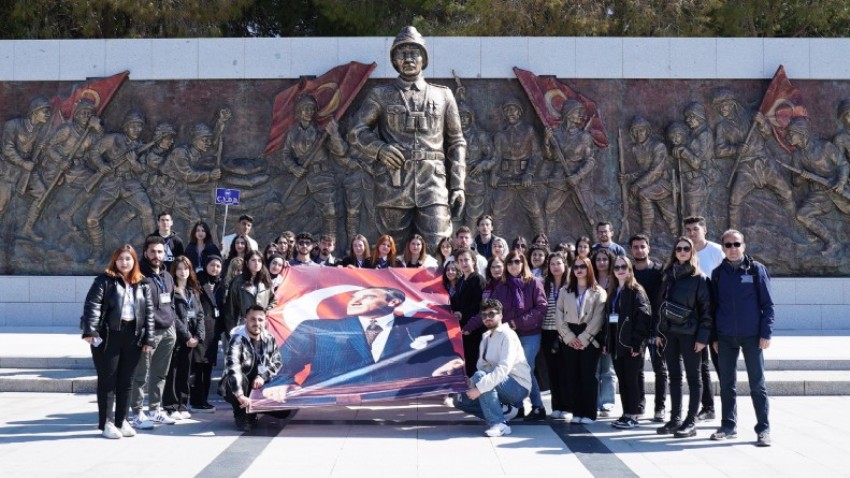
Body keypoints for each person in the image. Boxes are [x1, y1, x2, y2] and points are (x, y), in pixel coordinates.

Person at [348, 26, 466, 247]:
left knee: (438, 247)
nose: (409, 58)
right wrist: (380, 149)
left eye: (414, 53)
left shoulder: (443, 95)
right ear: (394, 60)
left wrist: (458, 185)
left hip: (433, 184)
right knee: (390, 250)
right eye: (402, 53)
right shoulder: (381, 95)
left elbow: (457, 142)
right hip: (394, 184)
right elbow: (356, 132)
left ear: (424, 58)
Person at [262, 287, 463, 398]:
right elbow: (281, 366)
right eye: (353, 297)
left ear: (393, 302)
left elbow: (444, 361)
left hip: (398, 411)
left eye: (366, 296)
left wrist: (451, 365)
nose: (354, 301)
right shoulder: (314, 328)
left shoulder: (425, 327)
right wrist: (281, 384)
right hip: (329, 410)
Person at [81, 244, 155, 439]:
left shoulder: (142, 283)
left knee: (126, 381)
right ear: (115, 260)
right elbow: (92, 306)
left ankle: (122, 421)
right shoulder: (104, 281)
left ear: (134, 261)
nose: (124, 262)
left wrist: (149, 338)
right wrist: (90, 331)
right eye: (121, 259)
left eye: (128, 259)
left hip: (133, 336)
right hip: (108, 336)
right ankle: (107, 423)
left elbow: (148, 313)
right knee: (108, 381)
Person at [464, 250, 547, 420]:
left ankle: (538, 406)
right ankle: (517, 407)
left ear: (523, 263)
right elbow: (488, 310)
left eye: (517, 261)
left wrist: (518, 322)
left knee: (526, 367)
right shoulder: (502, 288)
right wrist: (469, 326)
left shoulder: (534, 283)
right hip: (509, 335)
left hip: (529, 334)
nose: (514, 265)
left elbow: (541, 308)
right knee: (509, 370)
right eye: (510, 262)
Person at [710, 230, 774, 447]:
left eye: (736, 244)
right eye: (728, 245)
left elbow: (768, 305)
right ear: (723, 248)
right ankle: (728, 425)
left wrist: (766, 333)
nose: (733, 248)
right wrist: (714, 337)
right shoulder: (717, 274)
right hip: (726, 337)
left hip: (752, 336)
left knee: (757, 384)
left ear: (744, 246)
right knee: (727, 383)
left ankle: (763, 429)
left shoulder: (756, 270)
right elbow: (713, 307)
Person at [655, 236, 712, 438]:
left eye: (686, 249)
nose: (681, 252)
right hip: (670, 333)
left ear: (691, 252)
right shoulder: (668, 275)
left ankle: (691, 421)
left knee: (694, 378)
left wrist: (703, 338)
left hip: (691, 334)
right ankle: (675, 418)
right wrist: (659, 332)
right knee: (674, 377)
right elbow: (660, 305)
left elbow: (707, 311)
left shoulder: (700, 278)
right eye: (678, 248)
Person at [453, 298, 532, 437]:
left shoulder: (508, 335)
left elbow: (503, 368)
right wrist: (469, 383)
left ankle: (499, 423)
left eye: (491, 314)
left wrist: (479, 388)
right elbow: (482, 367)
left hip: (517, 386)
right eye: (484, 315)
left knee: (480, 378)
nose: (487, 318)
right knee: (459, 400)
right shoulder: (485, 337)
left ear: (500, 315)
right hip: (496, 383)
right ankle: (503, 411)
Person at [85, 111, 155, 262]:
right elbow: (94, 152)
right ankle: (97, 250)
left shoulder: (141, 146)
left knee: (148, 211)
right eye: (133, 126)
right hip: (111, 182)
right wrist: (102, 165)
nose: (137, 130)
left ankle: (153, 251)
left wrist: (134, 162)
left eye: (139, 127)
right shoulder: (113, 139)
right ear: (126, 127)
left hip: (131, 184)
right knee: (91, 219)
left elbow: (142, 169)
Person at [279, 94, 347, 236]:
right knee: (286, 208)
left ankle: (331, 242)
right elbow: (286, 155)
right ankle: (284, 241)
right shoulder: (292, 134)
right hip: (301, 177)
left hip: (321, 176)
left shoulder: (321, 132)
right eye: (306, 109)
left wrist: (334, 134)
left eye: (311, 109)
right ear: (299, 111)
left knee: (330, 212)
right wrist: (293, 168)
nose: (309, 112)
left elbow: (340, 151)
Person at [130, 235, 178, 429]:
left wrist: (173, 324)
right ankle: (136, 412)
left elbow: (172, 301)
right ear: (145, 253)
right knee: (140, 374)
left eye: (160, 251)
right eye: (153, 251)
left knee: (160, 374)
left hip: (168, 331)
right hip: (149, 333)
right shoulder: (139, 276)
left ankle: (155, 410)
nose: (157, 255)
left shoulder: (167, 276)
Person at [556, 255, 607, 424]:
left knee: (588, 375)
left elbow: (598, 318)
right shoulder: (565, 291)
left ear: (589, 269)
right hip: (569, 335)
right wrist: (569, 337)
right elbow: (559, 315)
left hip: (589, 337)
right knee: (572, 374)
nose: (579, 270)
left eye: (582, 267)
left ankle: (589, 412)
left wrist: (583, 339)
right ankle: (577, 411)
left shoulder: (599, 291)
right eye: (576, 267)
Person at [684, 215, 724, 422]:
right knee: (700, 365)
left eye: (695, 229)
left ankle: (728, 409)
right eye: (688, 229)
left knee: (721, 364)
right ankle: (707, 407)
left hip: (715, 317)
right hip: (694, 319)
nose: (692, 233)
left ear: (704, 230)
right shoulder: (685, 253)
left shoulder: (717, 251)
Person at [219, 305, 282, 432]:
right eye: (252, 319)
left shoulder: (269, 338)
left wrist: (263, 376)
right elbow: (233, 368)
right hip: (236, 385)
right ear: (245, 320)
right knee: (240, 379)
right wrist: (240, 395)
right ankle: (241, 416)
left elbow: (277, 362)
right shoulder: (237, 339)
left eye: (260, 320)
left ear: (265, 321)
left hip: (258, 384)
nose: (256, 323)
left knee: (284, 412)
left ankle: (253, 411)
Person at [543, 100, 599, 235]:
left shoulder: (584, 136)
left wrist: (577, 176)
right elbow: (549, 157)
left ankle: (597, 242)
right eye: (577, 112)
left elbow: (590, 161)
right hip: (559, 177)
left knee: (588, 212)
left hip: (579, 179)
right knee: (548, 209)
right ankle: (546, 241)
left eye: (581, 113)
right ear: (568, 114)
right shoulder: (555, 134)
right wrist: (546, 140)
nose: (581, 115)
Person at [491, 96, 545, 235]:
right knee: (496, 212)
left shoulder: (529, 130)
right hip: (506, 177)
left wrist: (529, 173)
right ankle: (497, 244)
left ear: (520, 112)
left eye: (513, 109)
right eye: (507, 110)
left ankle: (541, 242)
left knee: (535, 210)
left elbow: (537, 154)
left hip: (524, 177)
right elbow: (497, 157)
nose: (510, 113)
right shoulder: (500, 134)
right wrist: (494, 175)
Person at [608, 256, 651, 430]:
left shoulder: (636, 290)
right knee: (623, 380)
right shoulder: (613, 291)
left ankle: (633, 414)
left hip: (631, 345)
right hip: (617, 345)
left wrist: (637, 344)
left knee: (631, 380)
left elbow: (644, 318)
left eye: (623, 267)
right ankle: (626, 413)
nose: (620, 270)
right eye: (617, 267)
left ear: (629, 269)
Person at [629, 234, 668, 422]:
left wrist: (660, 329)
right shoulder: (629, 273)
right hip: (637, 328)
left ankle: (660, 407)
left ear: (648, 248)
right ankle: (639, 404)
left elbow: (663, 301)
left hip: (657, 328)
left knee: (660, 368)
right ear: (631, 250)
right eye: (635, 247)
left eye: (642, 246)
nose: (639, 250)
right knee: (637, 369)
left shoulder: (659, 271)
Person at [163, 256, 205, 420]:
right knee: (172, 373)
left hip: (191, 340)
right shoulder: (170, 291)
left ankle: (182, 404)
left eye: (186, 268)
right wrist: (187, 336)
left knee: (185, 373)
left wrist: (198, 336)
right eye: (180, 268)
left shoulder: (193, 291)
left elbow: (200, 314)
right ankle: (170, 406)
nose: (183, 271)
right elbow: (172, 315)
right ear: (174, 270)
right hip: (176, 339)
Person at [190, 254, 225, 412]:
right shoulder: (197, 281)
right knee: (198, 367)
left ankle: (204, 399)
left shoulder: (220, 283)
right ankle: (196, 400)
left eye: (218, 266)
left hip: (213, 331)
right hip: (200, 328)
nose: (215, 268)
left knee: (208, 367)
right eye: (212, 265)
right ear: (205, 265)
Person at [541, 252, 571, 420]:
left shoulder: (570, 284)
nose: (555, 267)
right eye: (552, 264)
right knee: (552, 370)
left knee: (565, 370)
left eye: (558, 263)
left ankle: (567, 406)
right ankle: (556, 406)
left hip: (566, 331)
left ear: (564, 265)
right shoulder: (545, 284)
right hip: (548, 330)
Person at [451, 248, 486, 377]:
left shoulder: (478, 279)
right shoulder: (460, 280)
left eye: (466, 260)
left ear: (473, 261)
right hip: (462, 328)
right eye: (460, 260)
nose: (464, 263)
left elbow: (479, 305)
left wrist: (463, 314)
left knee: (473, 363)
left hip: (474, 328)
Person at [591, 247, 617, 417]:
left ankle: (607, 401)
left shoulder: (615, 279)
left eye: (605, 259)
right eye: (598, 259)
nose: (601, 262)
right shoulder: (590, 279)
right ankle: (593, 400)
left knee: (607, 368)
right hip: (592, 327)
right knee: (593, 368)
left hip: (610, 327)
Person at [224, 250, 275, 333]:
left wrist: (266, 311)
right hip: (243, 324)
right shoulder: (238, 281)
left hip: (262, 325)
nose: (257, 263)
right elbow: (231, 309)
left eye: (259, 261)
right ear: (247, 263)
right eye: (253, 260)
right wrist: (232, 331)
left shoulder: (266, 280)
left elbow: (273, 301)